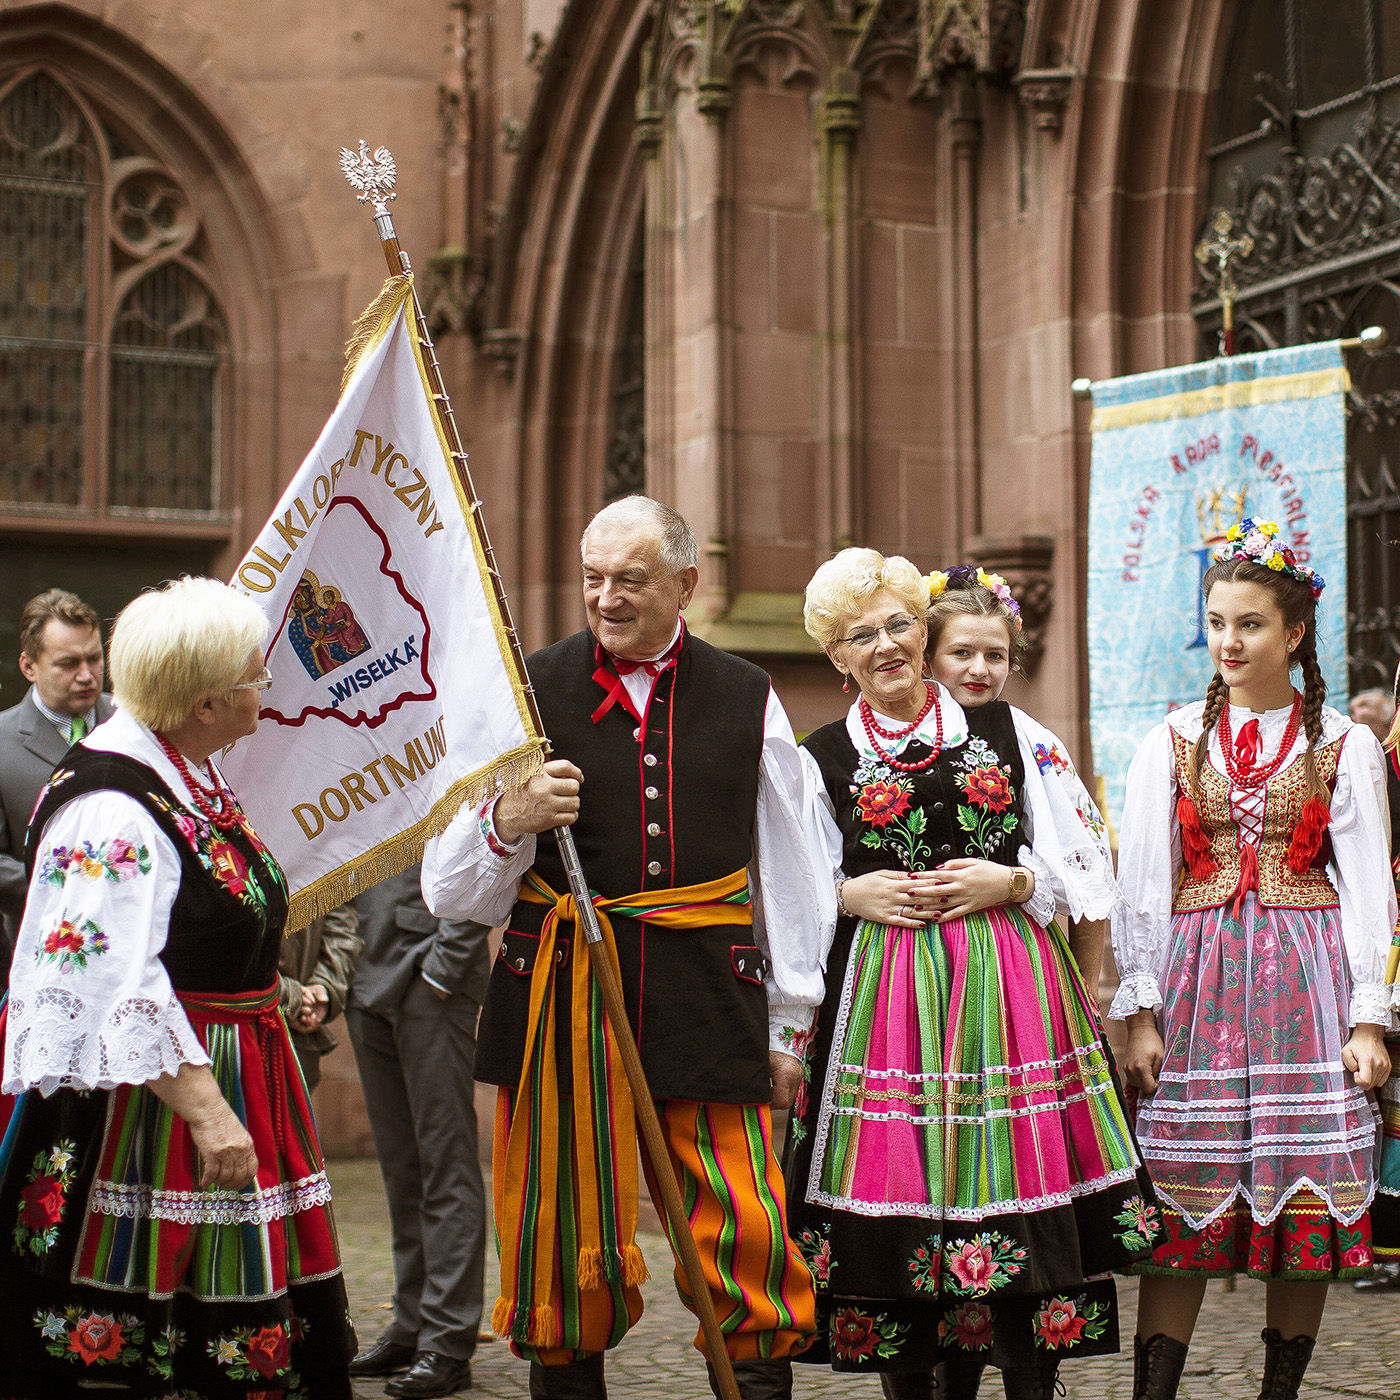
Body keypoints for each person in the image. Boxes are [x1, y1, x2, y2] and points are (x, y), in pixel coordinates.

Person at [422, 495, 834, 1400]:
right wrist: (507, 819)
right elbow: (449, 891)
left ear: (687, 584)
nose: (606, 598)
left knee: (745, 1230)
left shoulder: (746, 692)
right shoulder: (524, 692)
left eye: (631, 580)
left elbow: (797, 870)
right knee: (558, 1242)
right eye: (593, 578)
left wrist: (790, 1026)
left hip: (708, 994)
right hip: (557, 998)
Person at [787, 549, 1156, 1400]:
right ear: (836, 656)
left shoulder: (1008, 732)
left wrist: (1015, 881)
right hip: (883, 1011)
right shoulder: (817, 757)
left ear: (924, 630)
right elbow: (788, 886)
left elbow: (1090, 861)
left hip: (1010, 991)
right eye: (859, 635)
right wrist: (848, 891)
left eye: (898, 624)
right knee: (906, 1198)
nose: (884, 645)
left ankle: (1030, 1389)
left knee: (1020, 1193)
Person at [0, 576, 356, 1399]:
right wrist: (207, 1111)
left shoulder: (186, 771)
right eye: (252, 680)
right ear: (202, 704)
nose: (266, 689)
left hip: (237, 1063)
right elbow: (102, 976)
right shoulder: (113, 805)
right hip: (155, 1106)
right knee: (150, 1335)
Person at [1111, 519, 1395, 1400]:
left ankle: (1280, 1393)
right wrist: (1142, 1009)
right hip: (1197, 990)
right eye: (1219, 622)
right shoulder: (1169, 741)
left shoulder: (1343, 747)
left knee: (1299, 1197)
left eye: (1251, 624)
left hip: (1305, 991)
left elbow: (1371, 894)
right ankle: (1153, 1393)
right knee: (1183, 1200)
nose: (1229, 642)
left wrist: (1367, 1019)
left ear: (1295, 632)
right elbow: (1143, 884)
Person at [345, 865, 491, 1399]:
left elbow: (482, 846)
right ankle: (411, 1326)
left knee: (445, 1166)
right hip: (362, 976)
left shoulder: (447, 772)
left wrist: (443, 969)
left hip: (432, 981)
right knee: (401, 1169)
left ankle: (449, 1342)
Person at [0, 588, 114, 989]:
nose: (86, 674)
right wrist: (74, 889)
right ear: (29, 666)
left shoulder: (135, 724)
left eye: (95, 658)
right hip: (34, 966)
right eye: (68, 663)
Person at [278, 901, 363, 1092]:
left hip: (298, 1035)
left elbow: (340, 921)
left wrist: (325, 984)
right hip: (229, 1031)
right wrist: (288, 995)